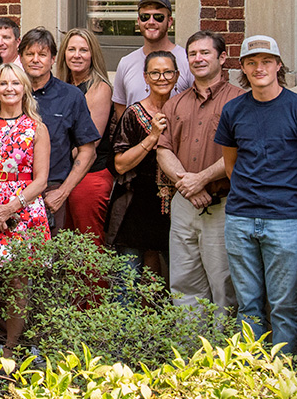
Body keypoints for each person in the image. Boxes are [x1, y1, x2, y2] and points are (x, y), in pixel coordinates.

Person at [216, 34, 297, 354]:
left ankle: (283, 378)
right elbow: (230, 164)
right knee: (247, 306)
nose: (259, 67)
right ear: (243, 69)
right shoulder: (234, 110)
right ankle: (251, 377)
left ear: (279, 66)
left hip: (285, 219)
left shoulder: (293, 108)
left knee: (284, 306)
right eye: (251, 62)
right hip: (240, 218)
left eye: (266, 61)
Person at [156, 32, 242, 313]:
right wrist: (186, 184)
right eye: (193, 54)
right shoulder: (175, 103)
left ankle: (221, 354)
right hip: (184, 206)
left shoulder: (240, 101)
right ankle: (190, 352)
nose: (198, 58)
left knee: (223, 285)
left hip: (222, 204)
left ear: (222, 58)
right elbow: (163, 149)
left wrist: (201, 179)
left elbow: (240, 151)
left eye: (205, 52)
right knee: (183, 284)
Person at [0, 62, 50, 356]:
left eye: (15, 83)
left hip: (24, 209)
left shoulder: (37, 127)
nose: (9, 88)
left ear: (25, 87)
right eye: (3, 83)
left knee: (17, 284)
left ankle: (10, 349)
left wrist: (9, 208)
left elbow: (42, 179)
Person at [19, 28, 100, 235]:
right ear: (20, 57)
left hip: (50, 192)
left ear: (53, 58)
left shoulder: (70, 96)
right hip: (10, 189)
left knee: (49, 264)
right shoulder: (7, 92)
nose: (35, 60)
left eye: (42, 54)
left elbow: (88, 151)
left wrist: (63, 192)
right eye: (29, 54)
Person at [107, 51, 176, 280]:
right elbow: (119, 165)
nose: (162, 78)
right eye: (155, 73)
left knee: (178, 278)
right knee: (128, 280)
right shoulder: (133, 114)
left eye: (167, 72)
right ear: (145, 77)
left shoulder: (183, 111)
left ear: (176, 76)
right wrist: (152, 136)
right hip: (136, 204)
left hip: (174, 206)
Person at [54, 28, 117, 245]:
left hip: (90, 176)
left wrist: (52, 153)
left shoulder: (99, 89)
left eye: (83, 50)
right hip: (63, 174)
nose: (77, 55)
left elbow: (90, 142)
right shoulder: (60, 86)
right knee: (66, 245)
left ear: (93, 55)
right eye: (71, 49)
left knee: (87, 245)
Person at [112, 0, 193, 116]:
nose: (151, 22)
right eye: (145, 17)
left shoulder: (187, 60)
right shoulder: (126, 63)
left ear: (169, 21)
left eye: (158, 17)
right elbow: (121, 108)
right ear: (139, 21)